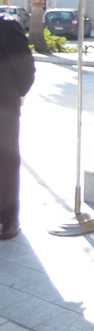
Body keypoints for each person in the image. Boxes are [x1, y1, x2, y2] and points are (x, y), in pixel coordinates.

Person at [0, 14, 35, 240]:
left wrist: (13, 95)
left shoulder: (6, 26)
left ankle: (8, 221)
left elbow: (25, 69)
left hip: (3, 110)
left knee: (5, 163)